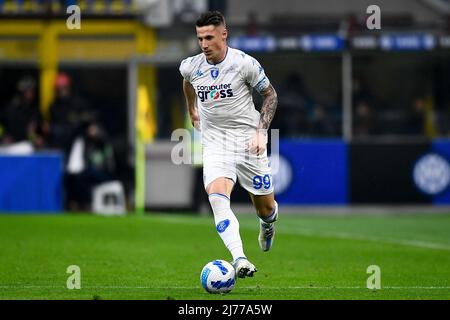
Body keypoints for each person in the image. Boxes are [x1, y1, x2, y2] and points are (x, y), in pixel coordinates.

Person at [179, 11, 279, 279]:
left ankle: (267, 225)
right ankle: (240, 258)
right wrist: (192, 109)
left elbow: (270, 95)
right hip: (215, 143)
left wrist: (261, 131)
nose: (204, 44)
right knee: (217, 198)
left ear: (224, 35)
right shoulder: (191, 65)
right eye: (200, 38)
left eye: (209, 37)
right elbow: (188, 83)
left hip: (248, 142)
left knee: (266, 209)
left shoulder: (244, 64)